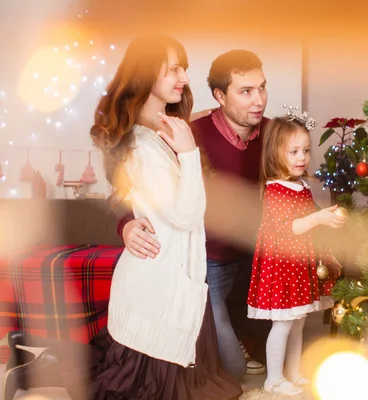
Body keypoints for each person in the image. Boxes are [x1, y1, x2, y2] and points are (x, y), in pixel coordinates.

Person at [2, 35, 243, 400]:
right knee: (130, 384)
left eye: (185, 69)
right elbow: (185, 214)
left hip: (173, 274)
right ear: (148, 74)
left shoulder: (169, 130)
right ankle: (37, 369)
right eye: (174, 69)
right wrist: (190, 156)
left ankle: (39, 356)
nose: (184, 78)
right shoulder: (141, 144)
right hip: (161, 276)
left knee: (148, 376)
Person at [118, 49, 270, 381]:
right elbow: (138, 188)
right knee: (233, 372)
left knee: (274, 351)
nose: (259, 100)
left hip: (258, 257)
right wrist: (126, 225)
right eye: (246, 91)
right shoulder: (188, 133)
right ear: (220, 95)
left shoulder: (275, 136)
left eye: (262, 87)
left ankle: (241, 331)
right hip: (209, 261)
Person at [247, 110, 346, 395]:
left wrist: (324, 227)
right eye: (293, 151)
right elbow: (287, 228)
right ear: (275, 153)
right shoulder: (276, 190)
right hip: (282, 267)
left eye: (305, 150)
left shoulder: (300, 186)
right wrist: (318, 219)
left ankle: (292, 371)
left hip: (299, 262)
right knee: (283, 324)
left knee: (299, 321)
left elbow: (310, 224)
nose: (302, 157)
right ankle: (273, 378)